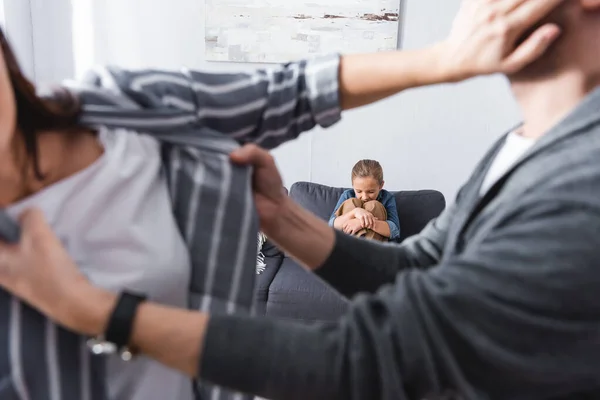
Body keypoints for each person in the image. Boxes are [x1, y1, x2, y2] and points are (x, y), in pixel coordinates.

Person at [0, 0, 581, 399]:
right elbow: (421, 269)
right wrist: (284, 218)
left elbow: (376, 352)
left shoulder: (580, 182)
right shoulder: (521, 146)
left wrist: (97, 312)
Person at [329, 159, 400, 241]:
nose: (364, 197)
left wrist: (361, 223)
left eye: (371, 192)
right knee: (352, 202)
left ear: (381, 185)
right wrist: (355, 212)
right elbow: (331, 225)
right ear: (352, 185)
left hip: (376, 247)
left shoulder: (387, 197)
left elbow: (395, 231)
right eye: (359, 191)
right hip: (349, 244)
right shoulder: (347, 195)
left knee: (374, 205)